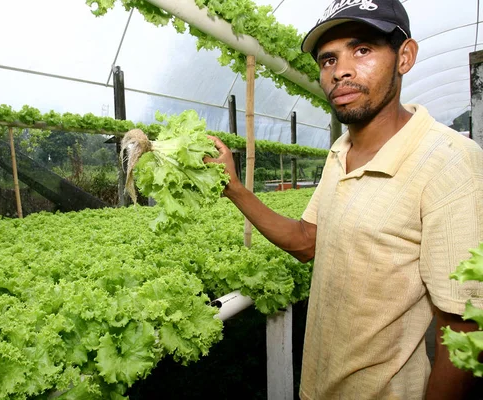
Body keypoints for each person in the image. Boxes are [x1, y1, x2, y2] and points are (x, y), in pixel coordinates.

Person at [206, 0, 483, 399]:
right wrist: (234, 188)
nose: (341, 71)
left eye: (363, 50)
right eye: (328, 60)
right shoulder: (339, 151)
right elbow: (305, 241)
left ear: (405, 57)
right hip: (319, 387)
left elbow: (463, 328)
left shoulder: (449, 162)